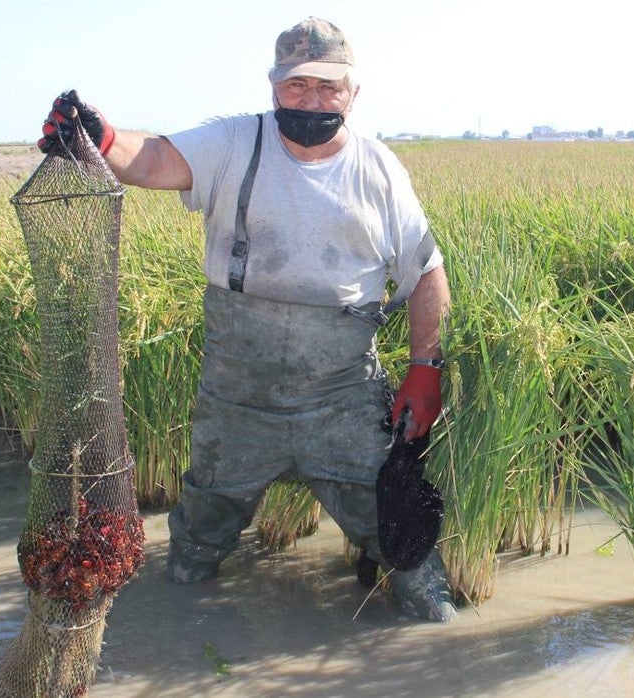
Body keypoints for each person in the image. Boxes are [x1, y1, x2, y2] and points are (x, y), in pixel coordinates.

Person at [37, 17, 455, 622]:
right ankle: (182, 600)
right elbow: (152, 161)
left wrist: (424, 369)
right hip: (236, 397)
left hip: (340, 395)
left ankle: (424, 603)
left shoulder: (380, 170)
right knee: (193, 548)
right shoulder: (234, 142)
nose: (312, 99)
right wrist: (100, 138)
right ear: (273, 84)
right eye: (296, 85)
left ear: (353, 93)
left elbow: (426, 275)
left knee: (400, 538)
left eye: (328, 87)